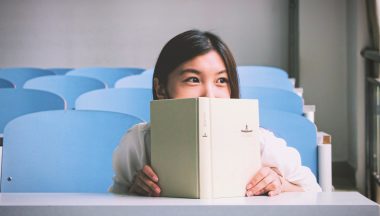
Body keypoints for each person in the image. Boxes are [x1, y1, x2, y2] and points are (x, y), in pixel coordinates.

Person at [110, 30, 322, 197]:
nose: (210, 94)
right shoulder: (139, 142)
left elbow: (313, 190)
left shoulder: (258, 142)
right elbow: (115, 198)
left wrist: (281, 184)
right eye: (193, 79)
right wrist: (133, 192)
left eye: (221, 80)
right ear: (161, 89)